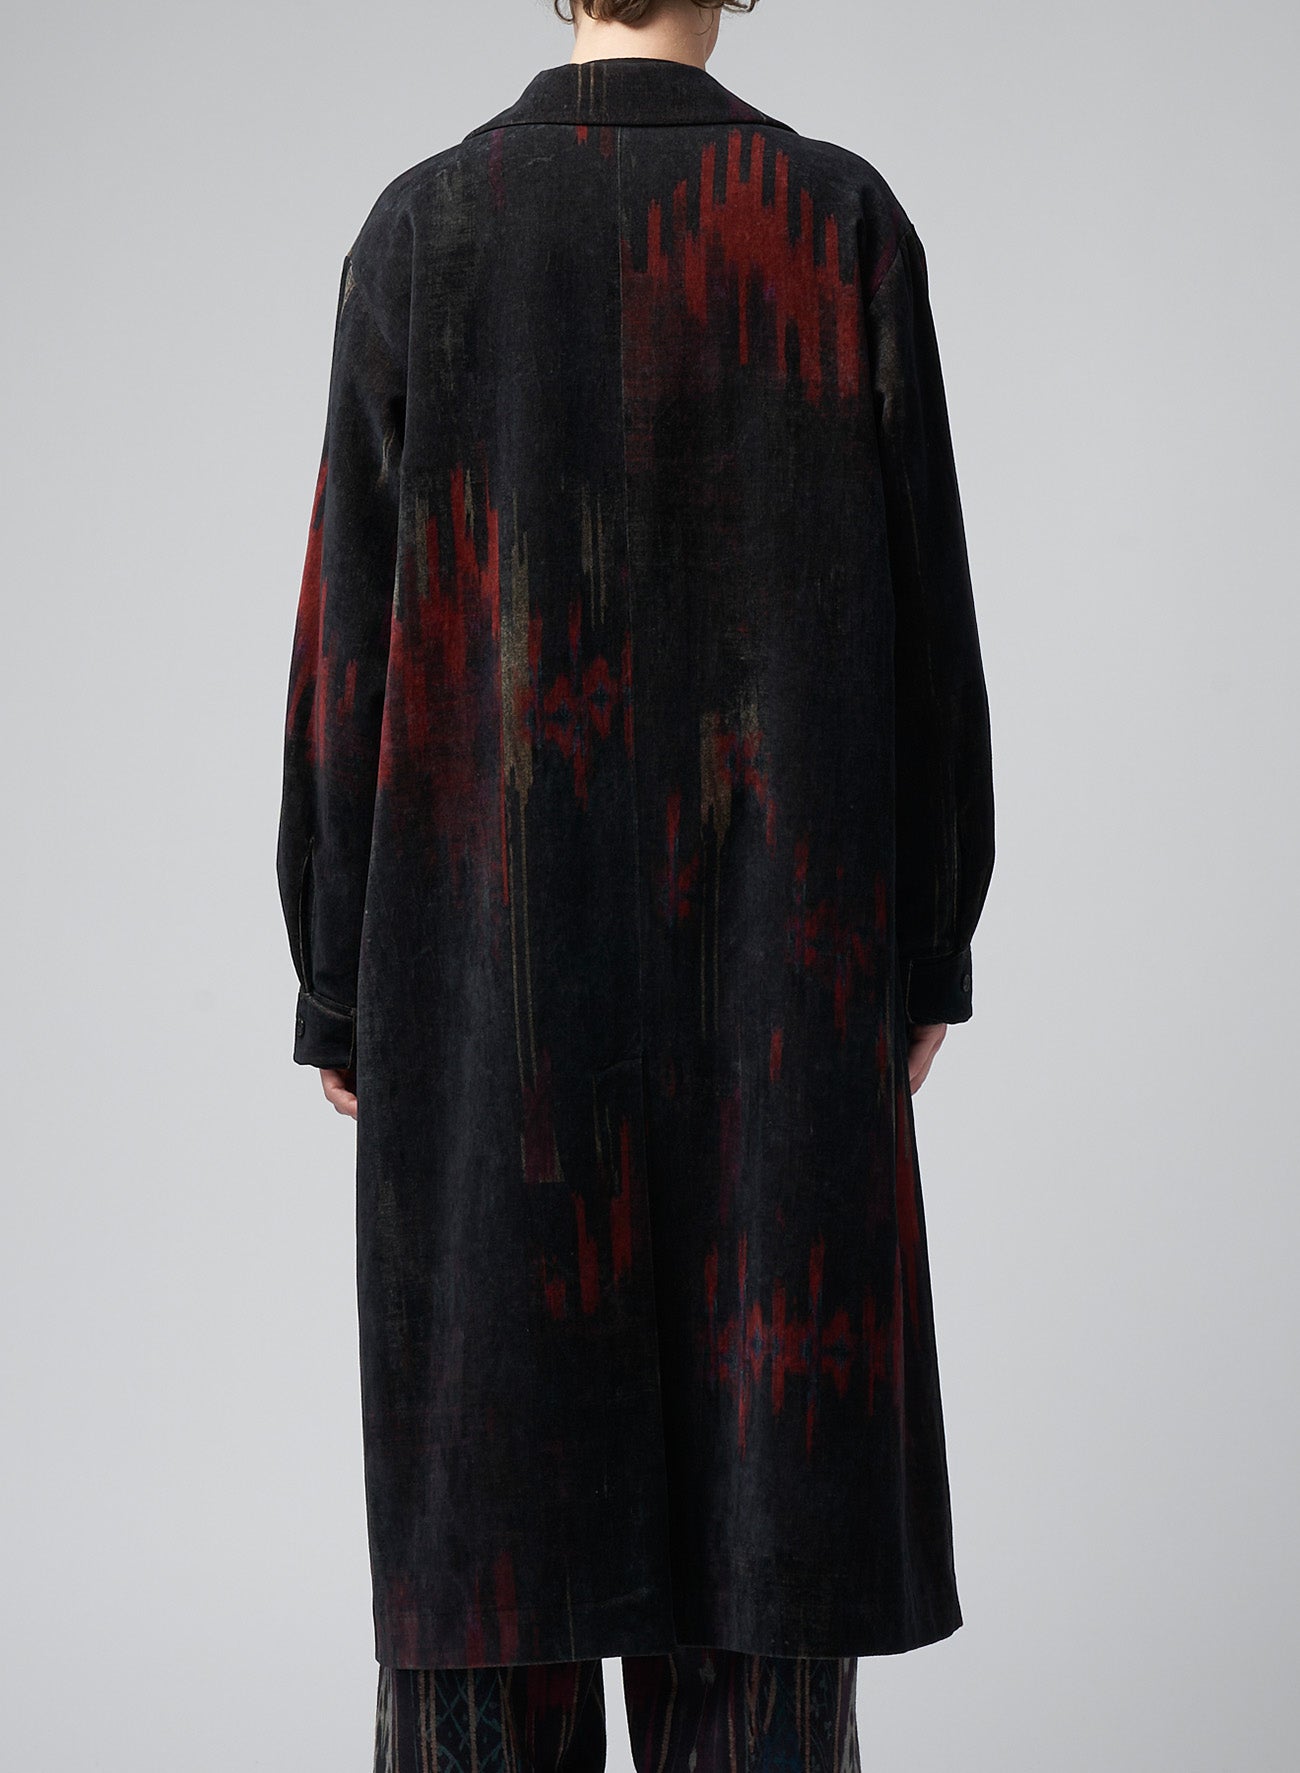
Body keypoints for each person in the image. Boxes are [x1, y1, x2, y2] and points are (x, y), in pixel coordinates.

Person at [276, 1, 995, 1767]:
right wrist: (920, 952)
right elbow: (932, 651)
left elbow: (347, 657)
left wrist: (343, 980)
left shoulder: (426, 230)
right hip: (783, 1017)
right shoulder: (838, 224)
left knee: (487, 1588)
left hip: (485, 1028)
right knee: (764, 1597)